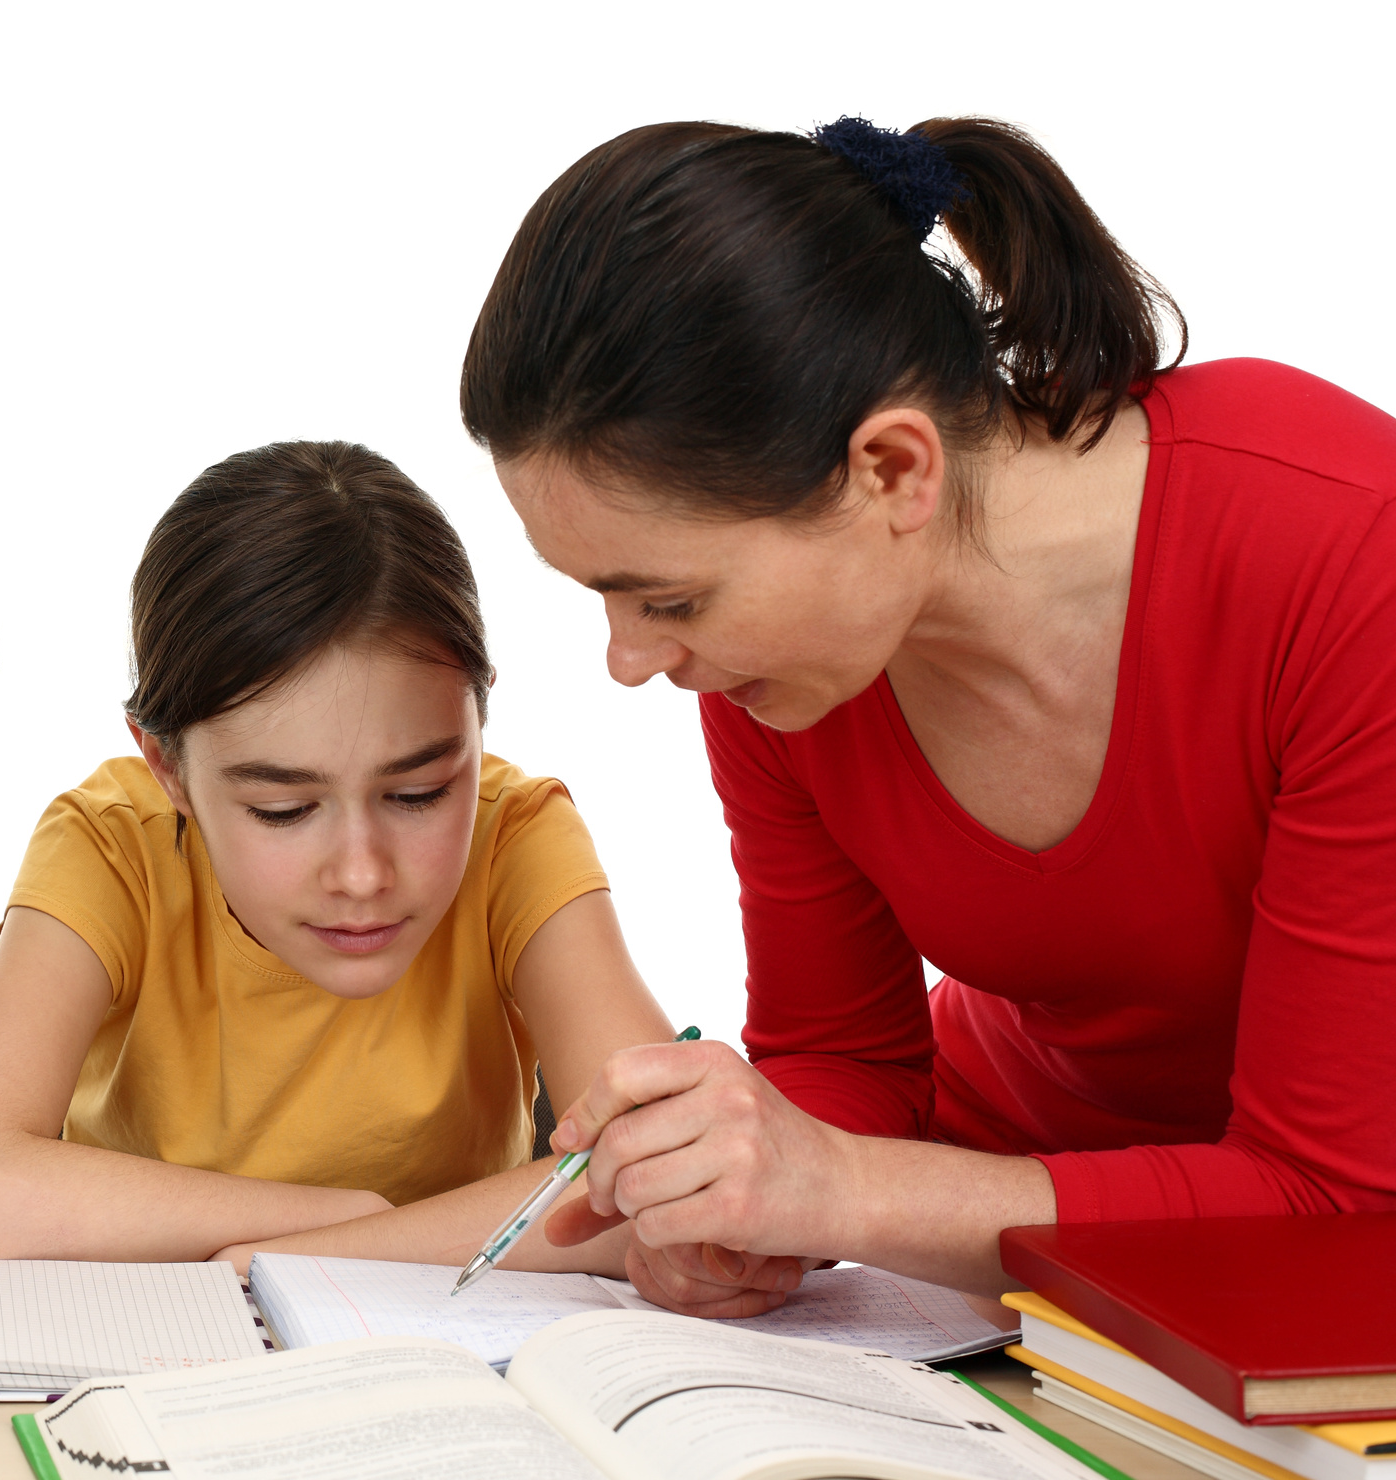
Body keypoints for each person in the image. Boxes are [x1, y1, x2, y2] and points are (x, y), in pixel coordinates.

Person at [460, 115, 1396, 1317]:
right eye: (608, 596)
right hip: (993, 1238)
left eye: (670, 598)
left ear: (892, 470)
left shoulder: (1346, 557)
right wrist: (733, 1188)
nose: (630, 660)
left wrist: (840, 1187)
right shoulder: (787, 670)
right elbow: (844, 1058)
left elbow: (1334, 1200)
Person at [0, 440, 731, 1293]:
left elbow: (666, 1181)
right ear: (166, 767)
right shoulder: (113, 846)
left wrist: (329, 1252)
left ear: (478, 720)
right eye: (283, 809)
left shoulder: (515, 834)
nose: (362, 875)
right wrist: (343, 1222)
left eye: (417, 793)